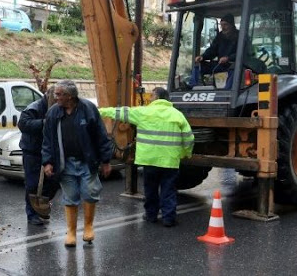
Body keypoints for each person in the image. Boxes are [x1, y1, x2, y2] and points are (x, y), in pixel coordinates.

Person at [98, 87, 194, 227]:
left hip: (149, 160)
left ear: (155, 97)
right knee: (168, 190)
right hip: (170, 161)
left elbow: (120, 112)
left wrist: (99, 111)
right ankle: (168, 219)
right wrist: (186, 153)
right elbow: (189, 138)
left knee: (150, 189)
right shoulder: (177, 115)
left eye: (151, 96)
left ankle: (151, 216)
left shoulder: (143, 112)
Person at [41, 80, 113, 247]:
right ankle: (71, 232)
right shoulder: (53, 113)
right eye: (56, 94)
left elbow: (101, 136)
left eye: (59, 94)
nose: (56, 97)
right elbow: (47, 140)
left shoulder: (88, 109)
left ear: (70, 96)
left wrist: (106, 161)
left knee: (89, 193)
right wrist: (47, 162)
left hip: (87, 162)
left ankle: (88, 227)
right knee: (70, 196)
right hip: (65, 164)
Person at [18, 86, 59, 226]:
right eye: (56, 97)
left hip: (49, 151)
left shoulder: (58, 107)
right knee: (32, 184)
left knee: (53, 181)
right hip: (32, 151)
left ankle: (41, 207)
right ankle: (32, 214)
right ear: (48, 96)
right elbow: (23, 124)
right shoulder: (34, 108)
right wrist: (43, 123)